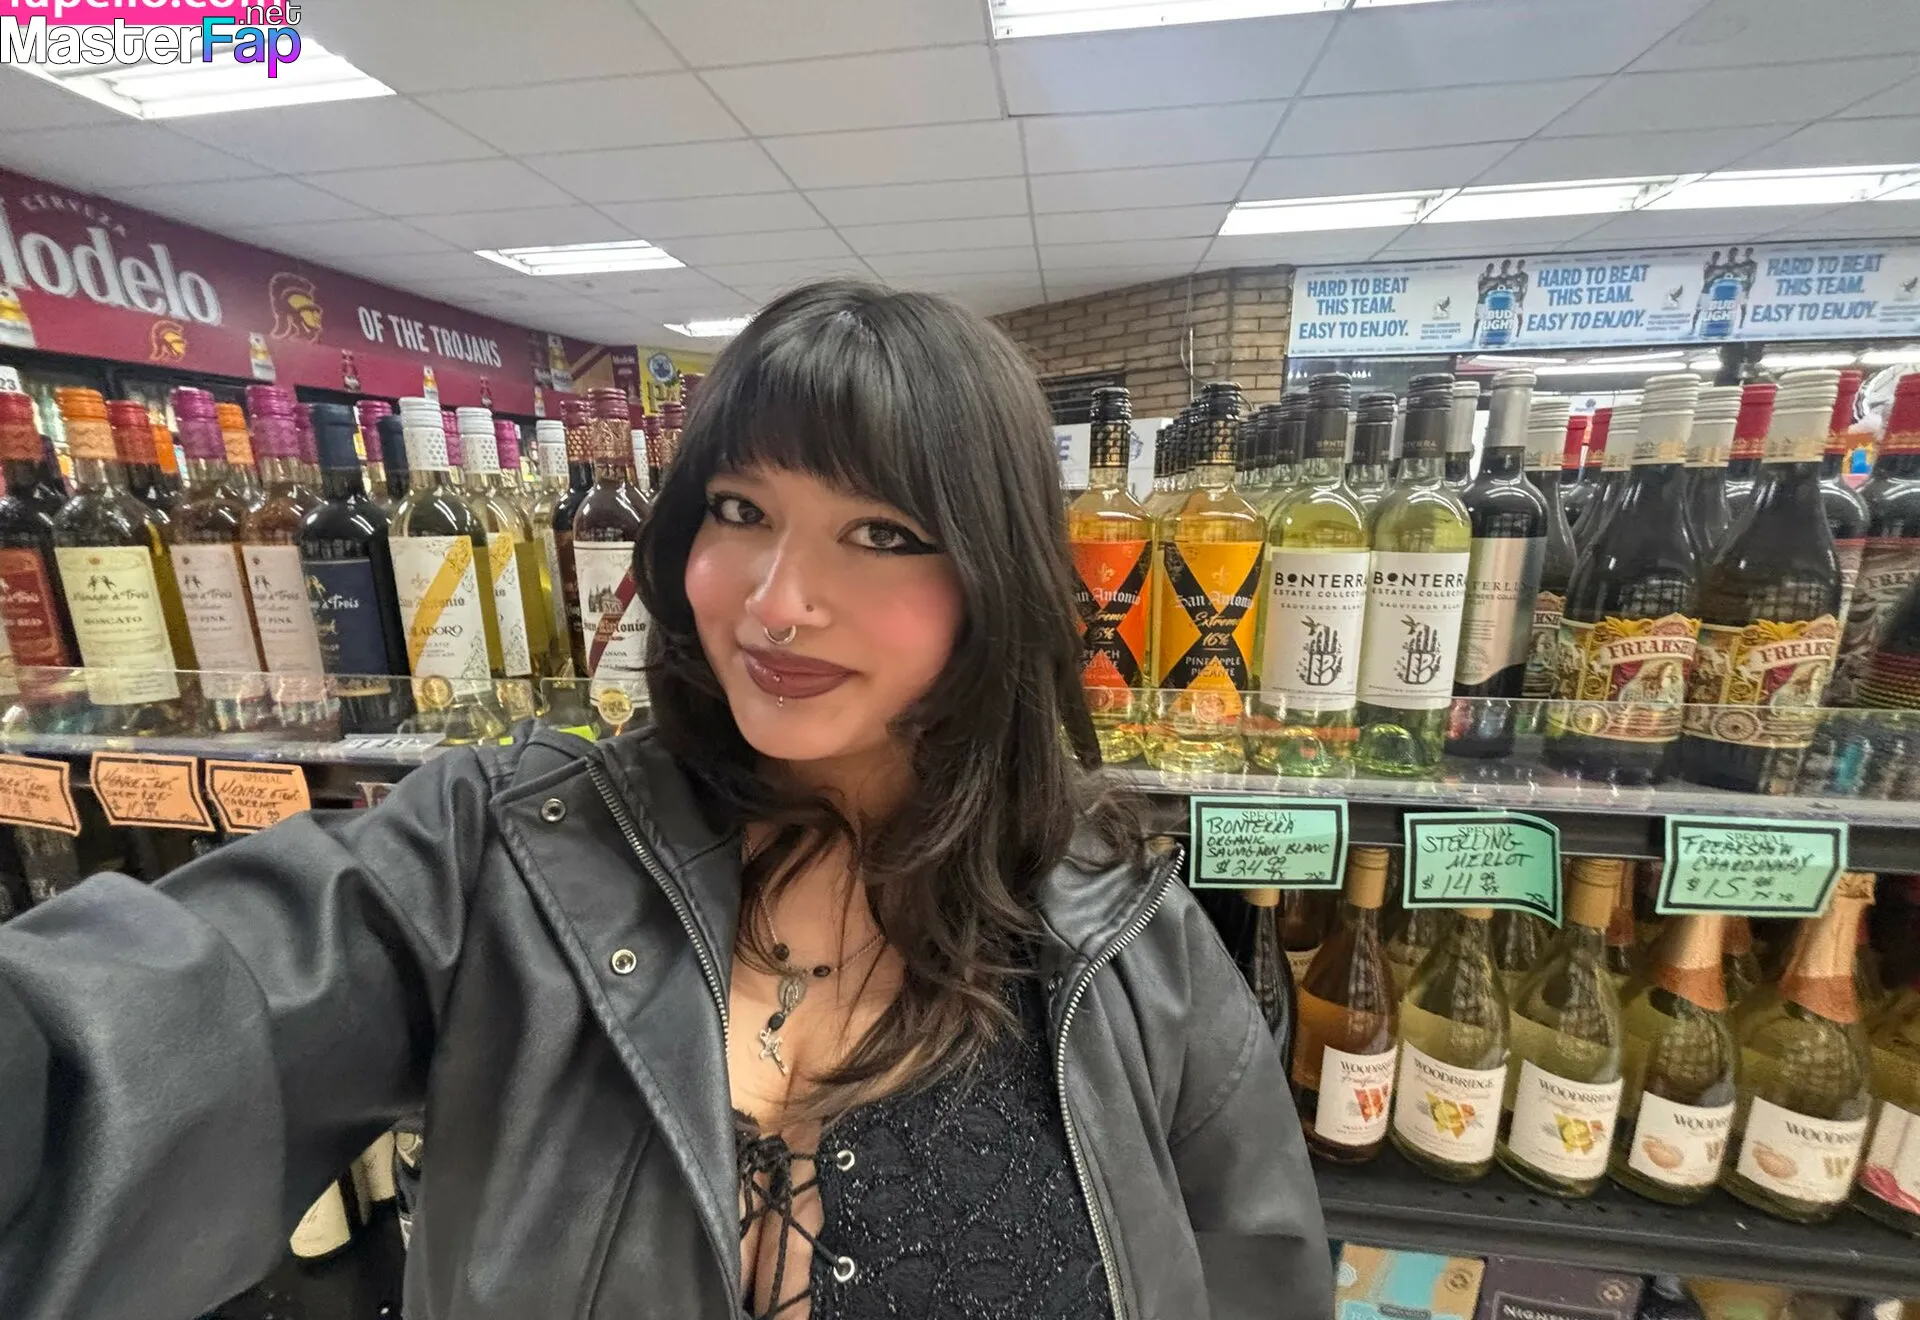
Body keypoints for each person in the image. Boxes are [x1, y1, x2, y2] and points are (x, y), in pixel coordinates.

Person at [0, 281, 1329, 1320]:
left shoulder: (1126, 941)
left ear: (999, 573)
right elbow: (140, 1041)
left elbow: (1257, 1279)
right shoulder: (497, 854)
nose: (777, 604)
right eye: (741, 510)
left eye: (880, 534)